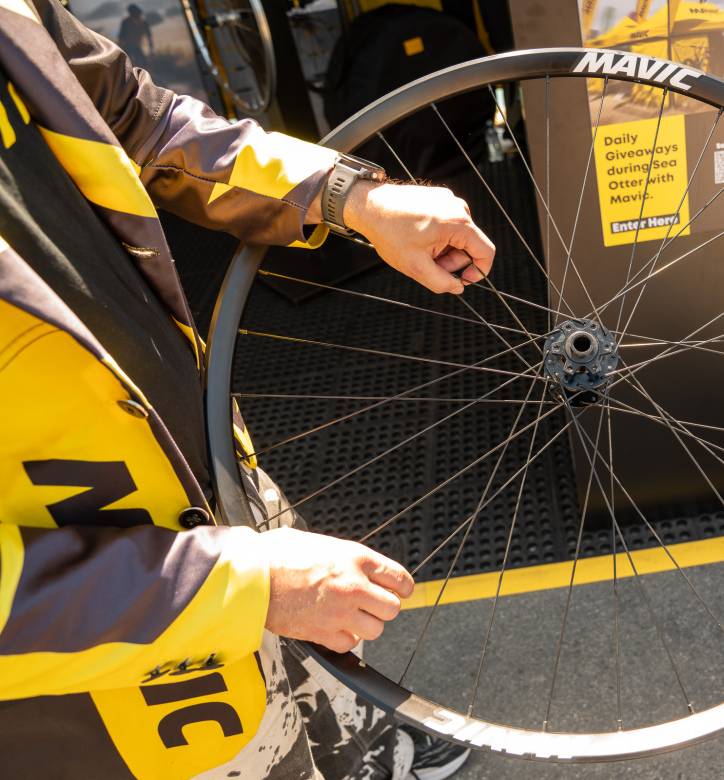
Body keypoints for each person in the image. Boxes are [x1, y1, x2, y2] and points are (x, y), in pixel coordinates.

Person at [0, 0, 492, 777]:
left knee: (315, 663)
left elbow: (140, 118)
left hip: (198, 472)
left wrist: (349, 196)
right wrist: (239, 588)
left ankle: (365, 746)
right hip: (109, 671)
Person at [117, 3, 151, 67]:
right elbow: (122, 39)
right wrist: (120, 53)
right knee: (125, 66)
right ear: (131, 16)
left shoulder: (144, 23)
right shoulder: (126, 23)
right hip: (126, 47)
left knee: (145, 64)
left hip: (136, 46)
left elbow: (149, 37)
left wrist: (151, 50)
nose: (138, 19)